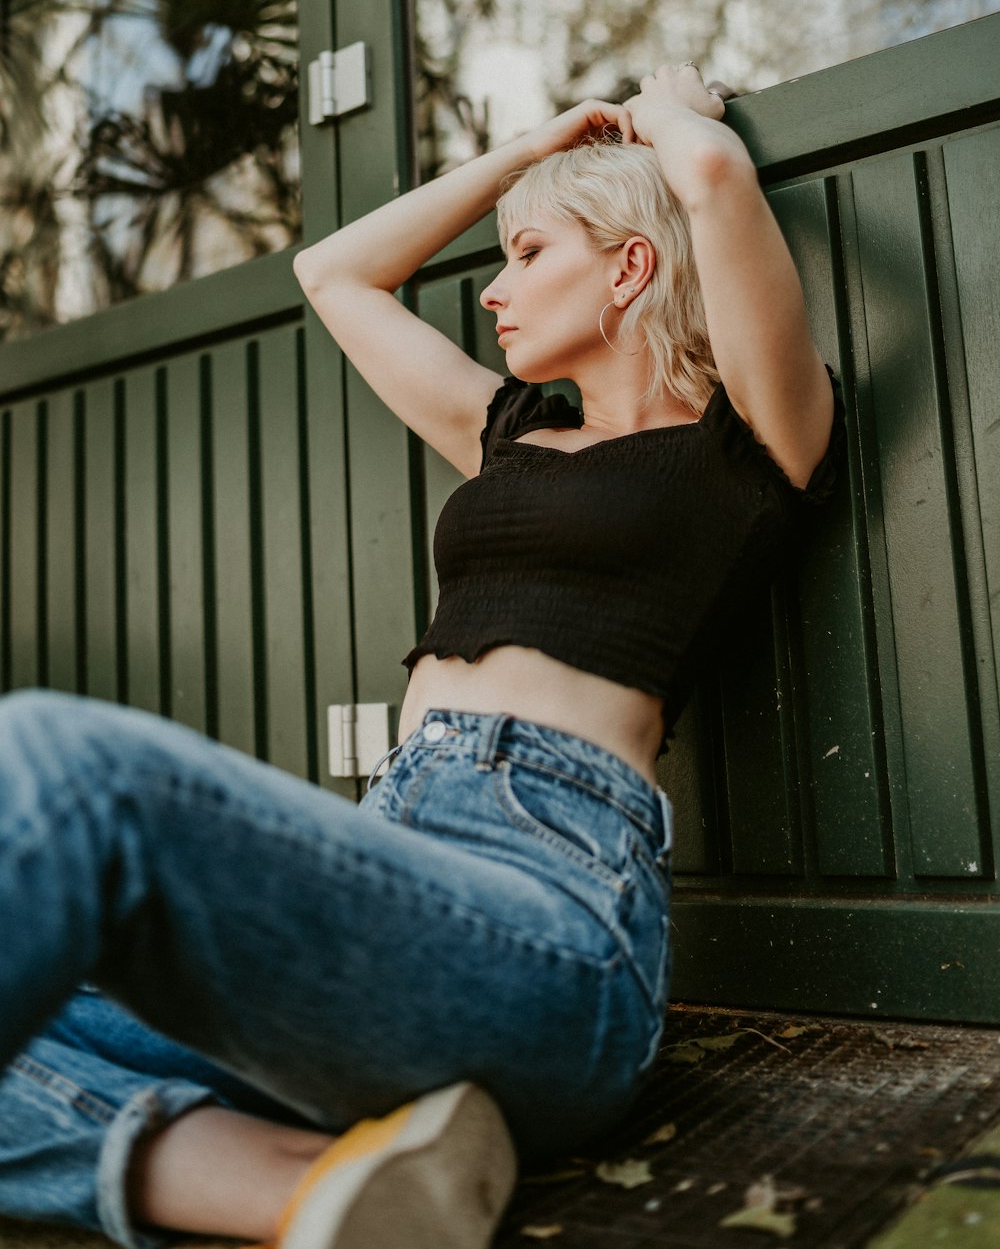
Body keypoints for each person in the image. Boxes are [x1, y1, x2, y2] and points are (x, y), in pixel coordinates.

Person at [0, 64, 841, 1249]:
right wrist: (525, 154)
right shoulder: (510, 435)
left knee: (58, 757)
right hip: (386, 901)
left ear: (631, 265)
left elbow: (704, 173)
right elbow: (331, 273)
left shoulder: (749, 445)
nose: (492, 293)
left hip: (551, 923)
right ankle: (301, 1187)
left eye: (529, 253)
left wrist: (661, 112)